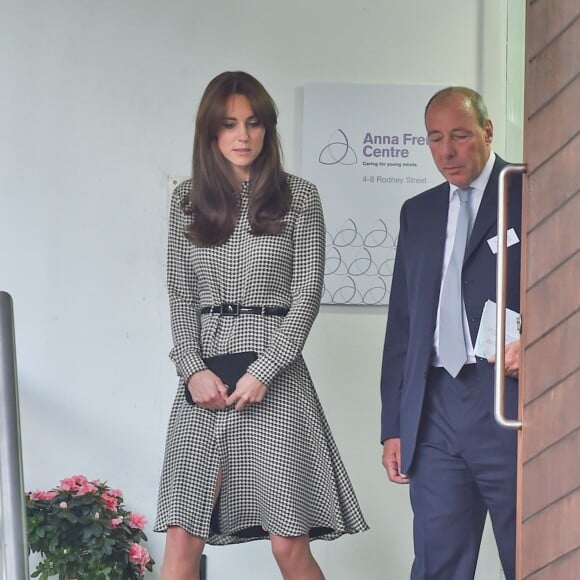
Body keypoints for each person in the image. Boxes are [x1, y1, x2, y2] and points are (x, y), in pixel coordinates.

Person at [155, 71, 368, 580]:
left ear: (268, 129)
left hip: (278, 378)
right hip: (204, 380)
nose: (243, 136)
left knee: (287, 542)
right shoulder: (186, 200)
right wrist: (190, 369)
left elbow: (306, 295)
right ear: (211, 133)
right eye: (229, 124)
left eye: (253, 123)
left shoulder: (300, 197)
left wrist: (265, 370)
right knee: (184, 537)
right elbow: (181, 294)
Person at [380, 87, 522, 580]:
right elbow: (403, 324)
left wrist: (541, 343)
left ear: (487, 131)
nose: (447, 151)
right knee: (437, 563)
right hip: (434, 409)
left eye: (459, 136)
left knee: (530, 555)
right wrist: (394, 423)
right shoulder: (417, 213)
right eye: (435, 139)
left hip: (508, 402)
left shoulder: (534, 190)